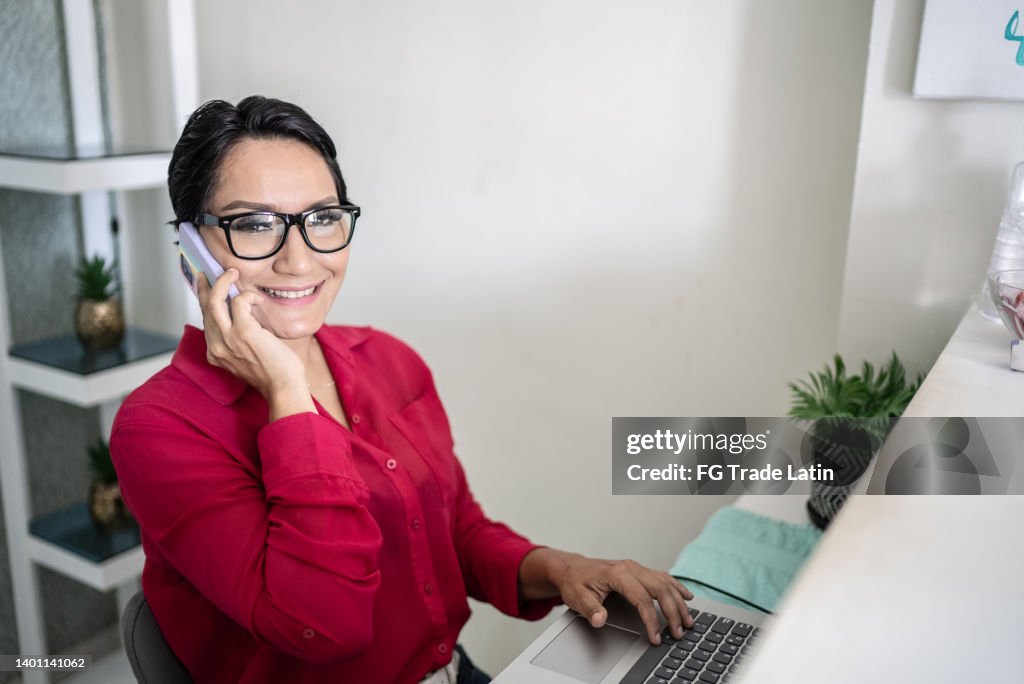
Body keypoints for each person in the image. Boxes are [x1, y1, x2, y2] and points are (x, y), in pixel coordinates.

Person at [111, 96, 694, 684]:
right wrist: (287, 389)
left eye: (322, 218)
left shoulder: (388, 361)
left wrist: (566, 569)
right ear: (191, 251)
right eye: (255, 225)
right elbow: (324, 625)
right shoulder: (159, 428)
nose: (299, 258)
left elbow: (454, 533)